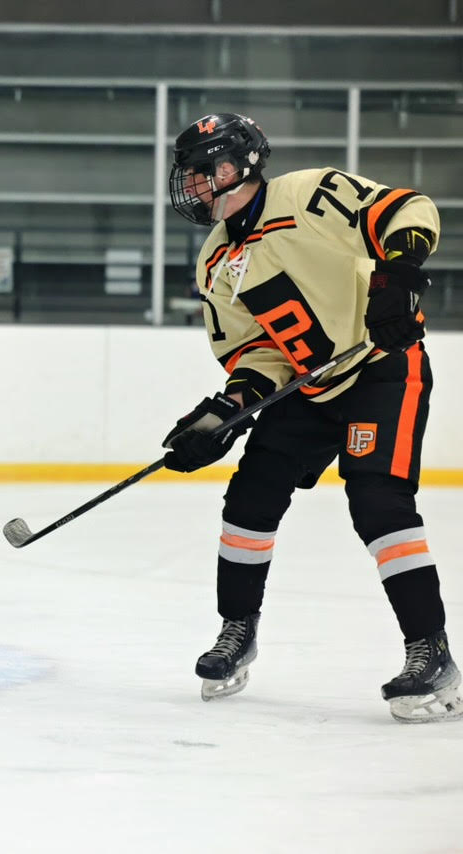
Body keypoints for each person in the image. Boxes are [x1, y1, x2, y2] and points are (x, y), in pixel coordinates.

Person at [163, 112, 458, 722]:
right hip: (309, 387)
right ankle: (236, 630)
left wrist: (398, 278)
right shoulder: (215, 262)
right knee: (249, 501)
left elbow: (409, 210)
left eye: (200, 173)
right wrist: (226, 411)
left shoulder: (305, 195)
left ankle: (430, 651)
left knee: (378, 502)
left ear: (236, 166)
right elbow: (257, 354)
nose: (190, 187)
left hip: (382, 365)